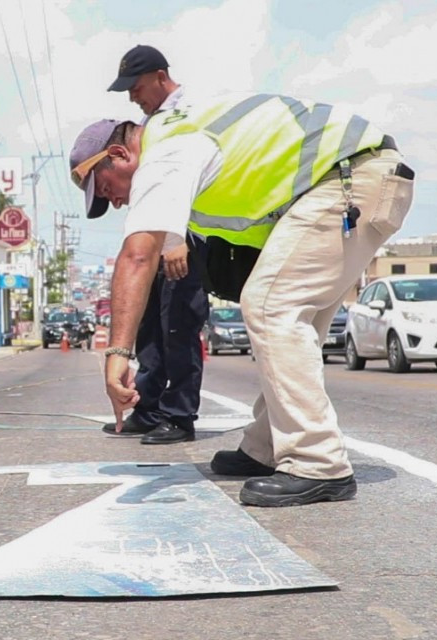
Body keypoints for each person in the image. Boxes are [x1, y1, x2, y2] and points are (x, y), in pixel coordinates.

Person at [69, 94, 414, 507]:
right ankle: (267, 445)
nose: (115, 202)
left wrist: (118, 354)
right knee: (289, 315)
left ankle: (318, 462)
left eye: (108, 188)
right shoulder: (177, 139)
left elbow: (137, 257)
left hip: (349, 178)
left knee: (271, 306)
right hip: (352, 178)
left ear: (119, 154)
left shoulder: (165, 155)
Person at [95, 44, 207, 445]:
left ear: (161, 76)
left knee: (178, 325)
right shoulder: (152, 123)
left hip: (185, 237)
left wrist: (178, 238)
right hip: (162, 235)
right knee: (149, 328)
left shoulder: (188, 112)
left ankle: (179, 416)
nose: (132, 97)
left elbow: (191, 177)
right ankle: (149, 408)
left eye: (136, 87)